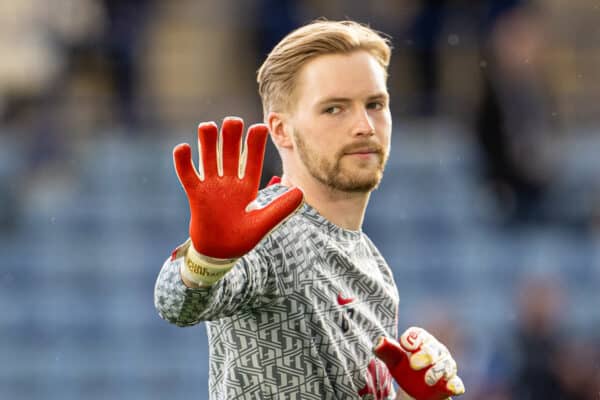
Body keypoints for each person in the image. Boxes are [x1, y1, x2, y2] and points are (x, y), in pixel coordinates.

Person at [154, 20, 464, 400]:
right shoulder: (270, 231)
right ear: (281, 130)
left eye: (375, 104)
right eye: (334, 109)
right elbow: (176, 303)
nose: (364, 126)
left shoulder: (374, 266)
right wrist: (204, 260)